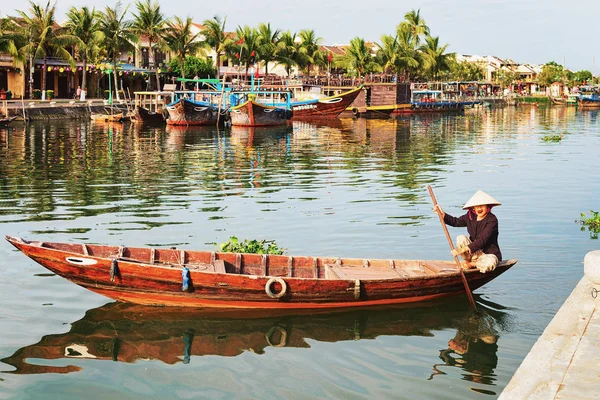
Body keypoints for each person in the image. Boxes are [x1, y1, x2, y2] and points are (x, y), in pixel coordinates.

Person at [433, 190, 502, 272]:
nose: (479, 208)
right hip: (474, 253)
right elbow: (455, 222)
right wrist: (442, 214)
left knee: (490, 263)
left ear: (487, 207)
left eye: (482, 206)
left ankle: (472, 264)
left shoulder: (492, 220)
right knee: (460, 238)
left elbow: (483, 240)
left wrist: (461, 250)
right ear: (473, 208)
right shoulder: (470, 216)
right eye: (477, 206)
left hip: (488, 255)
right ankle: (469, 260)